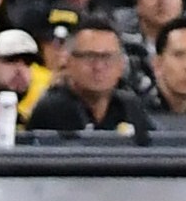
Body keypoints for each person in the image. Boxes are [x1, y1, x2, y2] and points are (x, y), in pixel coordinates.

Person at [24, 17, 154, 138]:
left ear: (121, 65)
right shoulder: (52, 110)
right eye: (89, 57)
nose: (98, 66)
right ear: (68, 62)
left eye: (107, 57)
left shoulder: (129, 106)